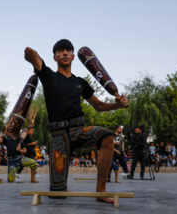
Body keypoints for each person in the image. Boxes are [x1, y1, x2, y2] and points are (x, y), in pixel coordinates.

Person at [24, 39, 128, 203]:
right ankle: (60, 186)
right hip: (58, 135)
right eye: (60, 51)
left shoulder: (80, 82)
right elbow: (28, 52)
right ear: (55, 57)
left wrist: (117, 105)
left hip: (79, 131)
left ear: (73, 56)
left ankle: (101, 191)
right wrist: (36, 66)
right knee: (58, 194)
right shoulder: (49, 76)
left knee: (107, 137)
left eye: (68, 50)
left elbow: (98, 105)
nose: (65, 53)